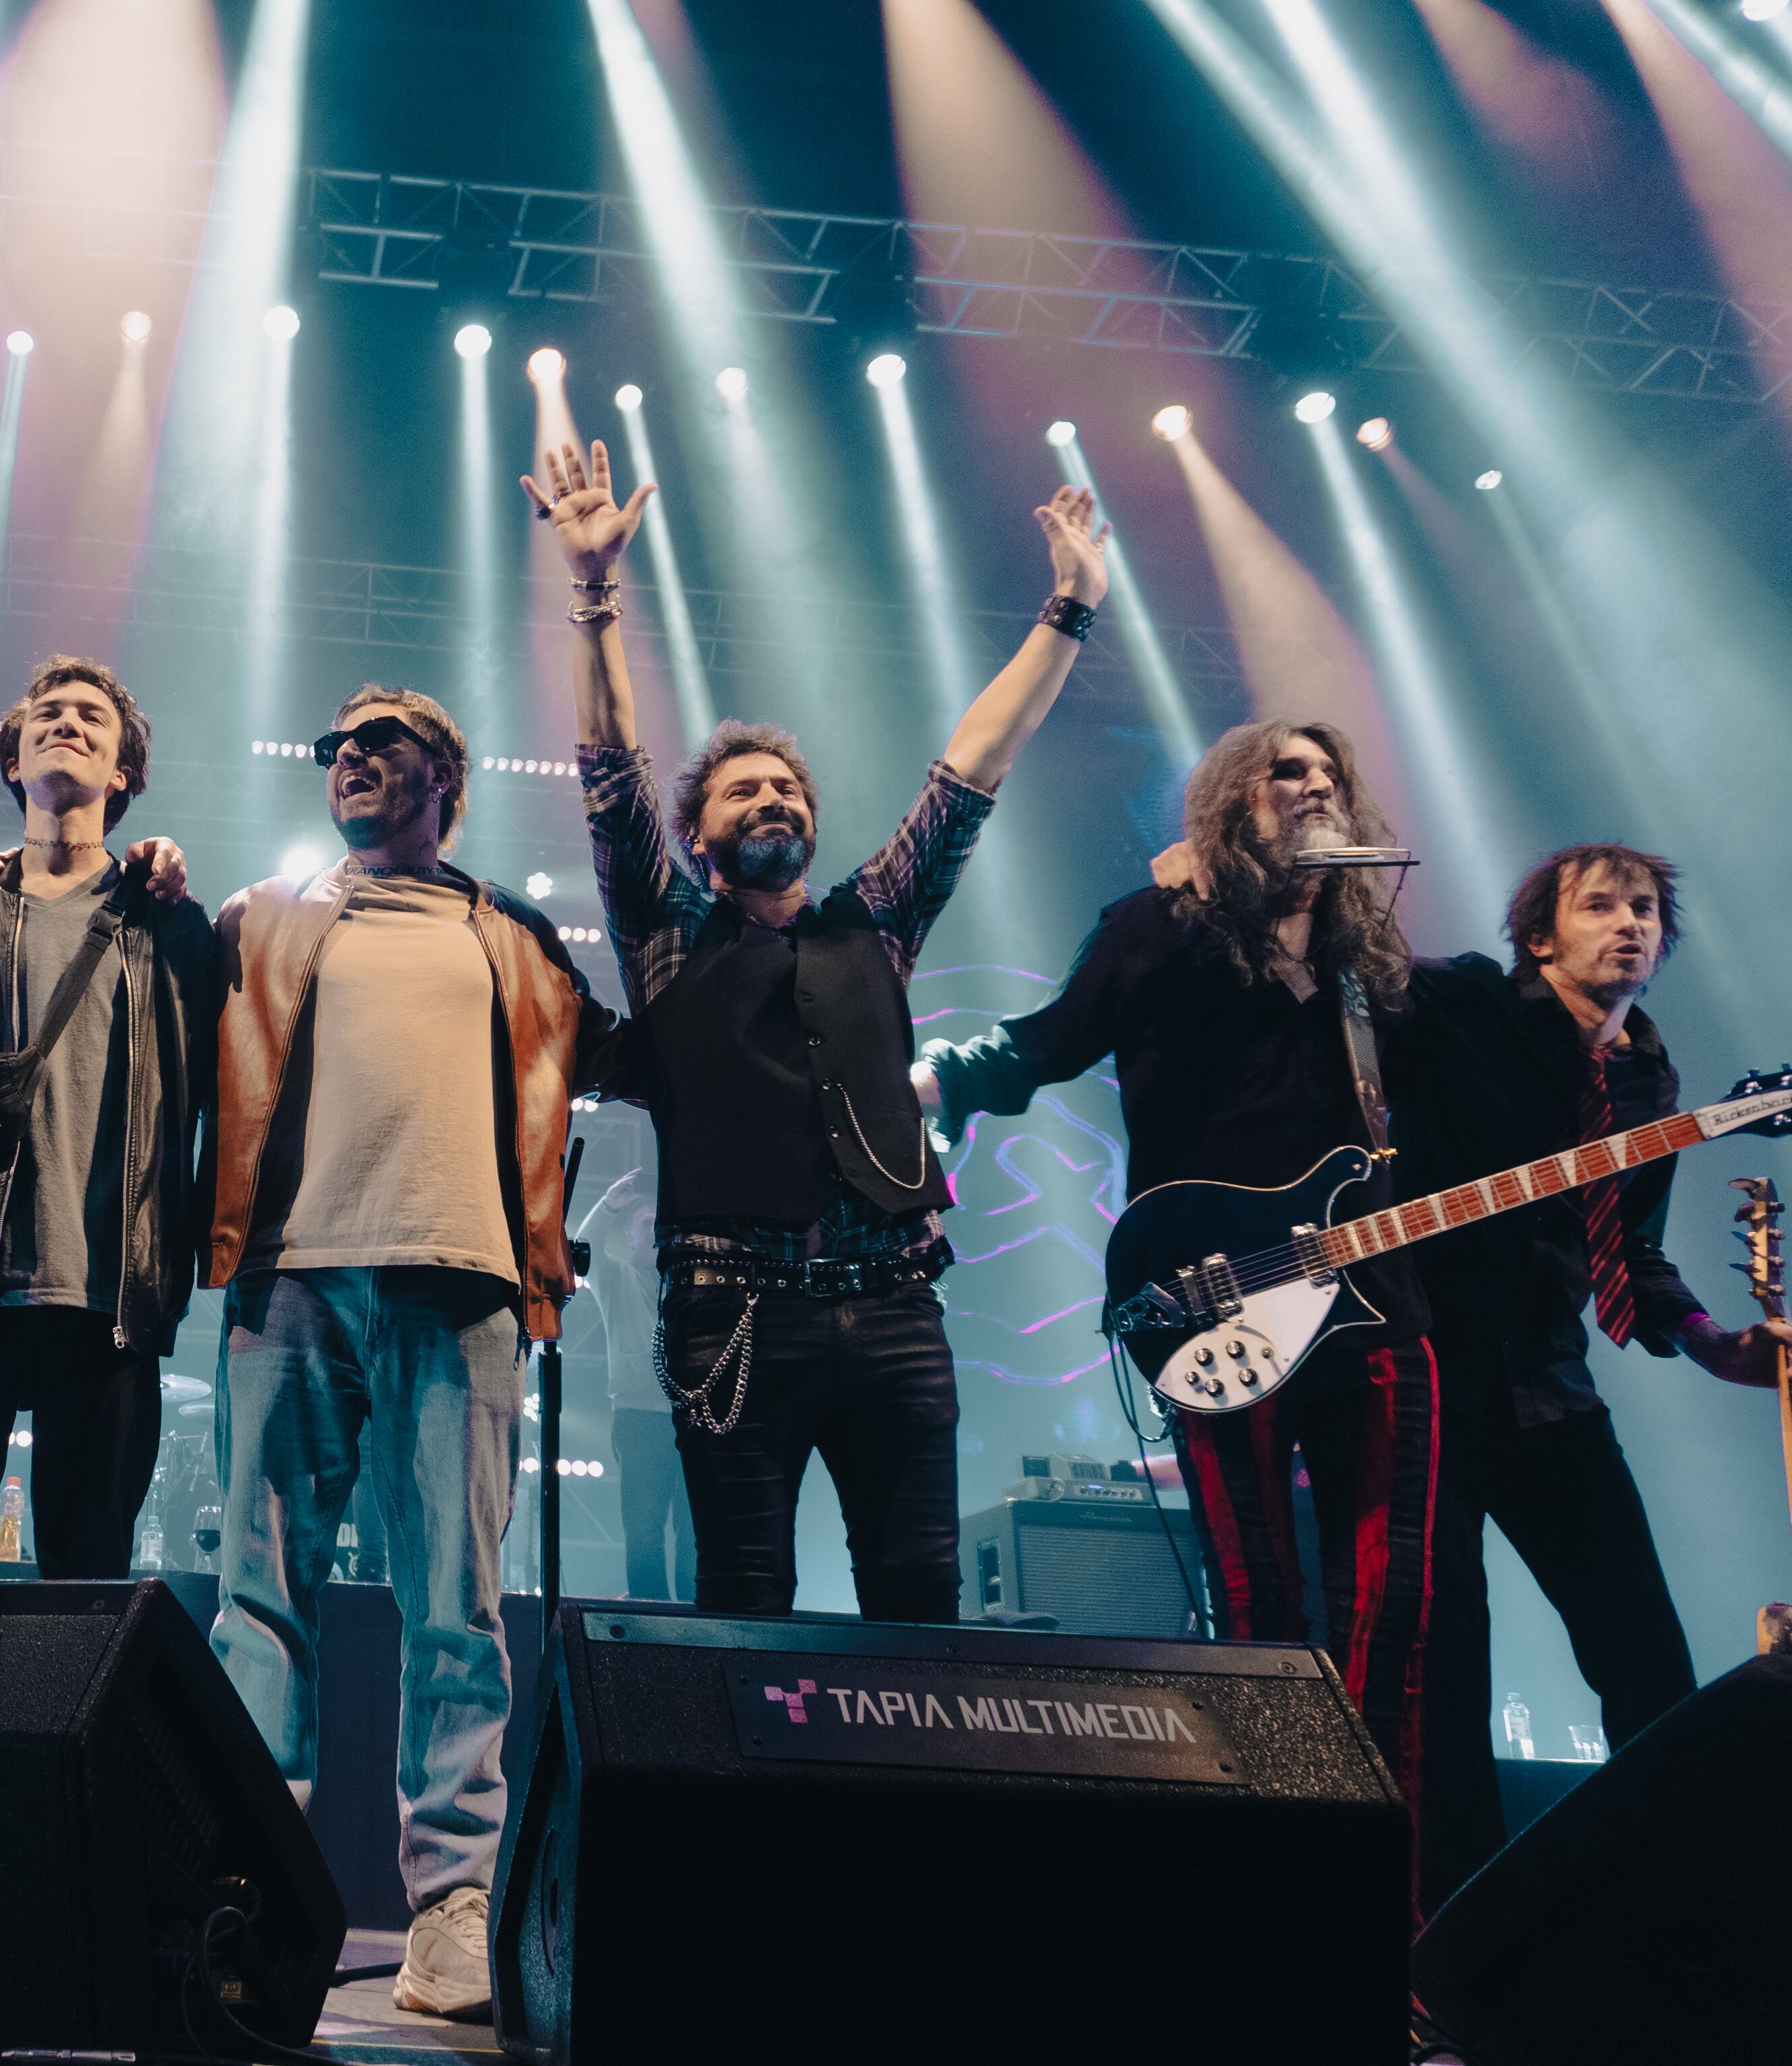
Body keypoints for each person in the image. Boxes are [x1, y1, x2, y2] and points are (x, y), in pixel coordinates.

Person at [535, 435, 1107, 1625]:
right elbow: (608, 770)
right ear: (698, 836)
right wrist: (594, 597)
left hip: (897, 1306)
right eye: (744, 790)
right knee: (744, 1600)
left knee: (919, 1599)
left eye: (788, 789)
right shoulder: (667, 934)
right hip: (734, 1309)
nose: (775, 800)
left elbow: (971, 769)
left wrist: (1069, 609)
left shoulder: (872, 924)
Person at [921, 719, 1438, 1866]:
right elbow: (1047, 1044)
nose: (1309, 783)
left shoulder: (1373, 966)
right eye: (1281, 769)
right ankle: (1270, 1876)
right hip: (1214, 1296)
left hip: (1373, 1311)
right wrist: (936, 1080)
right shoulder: (1154, 931)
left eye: (1326, 771)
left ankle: (1372, 1897)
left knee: (1393, 1606)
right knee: (1257, 1606)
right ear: (1226, 803)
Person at [204, 681, 614, 2022]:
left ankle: (452, 1906)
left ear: (448, 778)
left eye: (384, 745)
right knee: (258, 1605)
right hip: (291, 1280)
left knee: (458, 1610)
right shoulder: (261, 921)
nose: (353, 763)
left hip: (464, 1280)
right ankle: (244, 1901)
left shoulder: (518, 938)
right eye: (337, 750)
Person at [1378, 844, 1792, 1901]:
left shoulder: (1648, 1078)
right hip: (1421, 1378)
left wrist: (1708, 1338)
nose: (1630, 923)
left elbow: (1629, 1249)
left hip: (1549, 1388)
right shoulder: (1463, 1003)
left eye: (1646, 908)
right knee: (1447, 1676)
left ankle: (1669, 1904)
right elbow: (1349, 988)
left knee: (1645, 1656)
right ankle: (1449, 1950)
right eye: (1600, 905)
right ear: (1539, 937)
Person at [0, 658, 216, 1580]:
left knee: (86, 1602)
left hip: (108, 1293)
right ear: (13, 761)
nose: (65, 722)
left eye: (90, 717)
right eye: (47, 714)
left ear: (124, 777)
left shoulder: (174, 926)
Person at [581, 1179, 689, 1601]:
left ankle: (696, 1619)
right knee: (644, 1528)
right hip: (638, 1418)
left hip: (690, 1417)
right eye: (645, 1225)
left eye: (660, 1226)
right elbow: (582, 1245)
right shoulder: (616, 1279)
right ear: (628, 1236)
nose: (655, 1233)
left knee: (693, 1529)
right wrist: (609, 1205)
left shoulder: (688, 1284)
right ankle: (652, 1614)